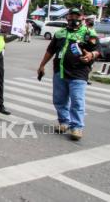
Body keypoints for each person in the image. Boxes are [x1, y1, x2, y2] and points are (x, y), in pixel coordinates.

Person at [37, 8, 100, 141]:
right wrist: (42, 65)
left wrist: (90, 55)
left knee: (77, 100)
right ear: (67, 18)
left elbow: (97, 50)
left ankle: (76, 127)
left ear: (82, 17)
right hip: (59, 71)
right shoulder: (60, 33)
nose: (73, 18)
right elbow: (50, 50)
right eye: (71, 16)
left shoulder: (88, 33)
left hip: (79, 73)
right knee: (59, 100)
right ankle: (64, 122)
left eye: (76, 16)